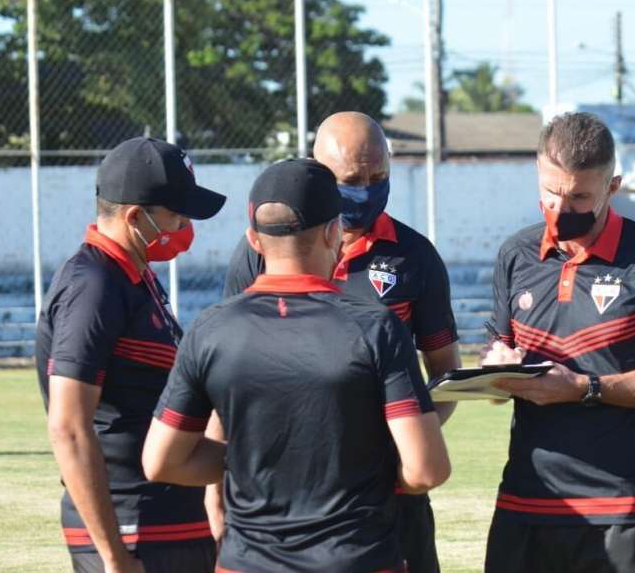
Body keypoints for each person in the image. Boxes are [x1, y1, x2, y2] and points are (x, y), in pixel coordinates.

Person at [141, 158, 451, 573]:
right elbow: (426, 469)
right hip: (356, 559)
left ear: (253, 240)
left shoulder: (208, 331)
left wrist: (258, 462)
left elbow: (162, 462)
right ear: (333, 232)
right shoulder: (376, 328)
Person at [220, 111, 460, 572]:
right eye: (352, 179)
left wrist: (401, 445)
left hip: (389, 498)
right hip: (283, 494)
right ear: (317, 170)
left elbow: (444, 375)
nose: (367, 188)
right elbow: (231, 372)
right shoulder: (259, 254)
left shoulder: (416, 257)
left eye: (379, 176)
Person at [481, 112, 635, 573]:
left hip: (622, 513)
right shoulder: (515, 255)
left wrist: (585, 387)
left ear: (613, 186)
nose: (562, 208)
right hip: (524, 505)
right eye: (551, 192)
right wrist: (496, 366)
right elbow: (496, 367)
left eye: (580, 196)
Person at [35, 137, 226, 573]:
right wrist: (114, 557)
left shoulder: (134, 276)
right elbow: (68, 426)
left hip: (170, 523)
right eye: (175, 214)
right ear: (136, 217)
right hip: (134, 530)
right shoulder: (94, 286)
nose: (183, 226)